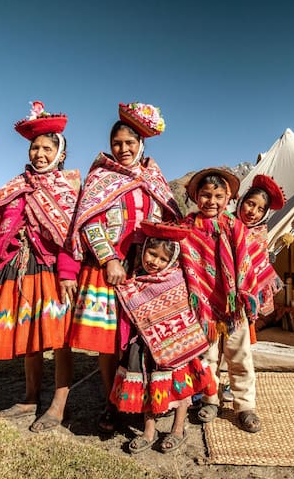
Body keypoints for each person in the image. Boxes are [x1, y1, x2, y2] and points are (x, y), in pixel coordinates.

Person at [0, 100, 80, 433]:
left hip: (51, 269)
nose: (39, 154)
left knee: (58, 338)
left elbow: (72, 235)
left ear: (60, 154)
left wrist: (68, 273)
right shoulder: (15, 187)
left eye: (46, 148)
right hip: (14, 267)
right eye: (35, 148)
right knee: (27, 335)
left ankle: (59, 405)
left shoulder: (67, 189)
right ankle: (29, 398)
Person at [68, 102, 181, 435]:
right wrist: (110, 259)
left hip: (146, 268)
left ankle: (145, 398)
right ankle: (111, 400)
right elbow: (88, 221)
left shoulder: (154, 176)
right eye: (117, 143)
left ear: (141, 143)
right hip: (111, 268)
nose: (123, 149)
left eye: (130, 143)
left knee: (141, 340)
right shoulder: (101, 175)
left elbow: (168, 219)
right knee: (109, 339)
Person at [111, 221, 216, 454]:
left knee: (181, 385)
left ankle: (178, 428)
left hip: (178, 346)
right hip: (144, 347)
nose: (154, 262)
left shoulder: (177, 279)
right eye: (151, 253)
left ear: (171, 261)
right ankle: (148, 430)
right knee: (149, 386)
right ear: (144, 249)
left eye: (161, 259)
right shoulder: (135, 280)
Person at [180, 168, 262, 433]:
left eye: (217, 196)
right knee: (208, 357)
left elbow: (246, 264)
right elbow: (184, 260)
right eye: (205, 195)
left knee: (240, 356)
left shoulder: (234, 226)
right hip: (203, 307)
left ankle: (245, 405)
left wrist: (242, 293)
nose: (211, 202)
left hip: (234, 307)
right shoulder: (188, 227)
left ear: (227, 197)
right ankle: (210, 399)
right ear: (196, 196)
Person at [235, 174, 286, 340]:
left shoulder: (259, 234)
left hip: (245, 299)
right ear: (242, 201)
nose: (253, 212)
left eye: (260, 209)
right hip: (221, 293)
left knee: (239, 345)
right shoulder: (225, 224)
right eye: (250, 204)